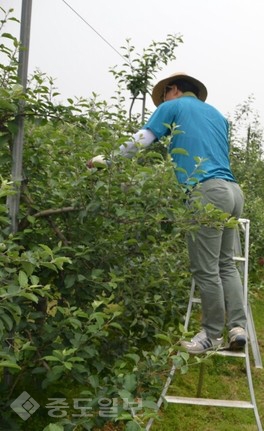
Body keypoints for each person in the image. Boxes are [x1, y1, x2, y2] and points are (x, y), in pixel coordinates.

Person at [87, 72, 247, 355]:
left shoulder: (172, 106)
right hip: (233, 192)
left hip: (207, 191)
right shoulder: (219, 117)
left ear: (173, 90)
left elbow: (143, 139)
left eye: (162, 97)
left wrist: (109, 161)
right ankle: (237, 328)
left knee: (206, 269)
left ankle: (211, 334)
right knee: (226, 265)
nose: (160, 103)